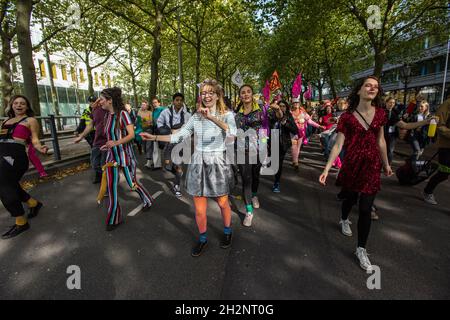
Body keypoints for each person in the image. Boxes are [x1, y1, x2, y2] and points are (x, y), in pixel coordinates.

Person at [140, 79, 237, 257]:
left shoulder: (227, 114)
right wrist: (153, 138)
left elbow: (232, 132)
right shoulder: (195, 117)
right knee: (199, 209)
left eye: (210, 92)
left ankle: (227, 231)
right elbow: (178, 137)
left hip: (217, 161)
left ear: (217, 95)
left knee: (223, 202)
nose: (207, 96)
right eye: (204, 93)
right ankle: (202, 239)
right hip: (198, 162)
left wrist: (211, 117)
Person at [319, 76, 393, 271]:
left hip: (372, 166)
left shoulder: (381, 114)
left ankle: (361, 249)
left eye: (376, 86)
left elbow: (381, 141)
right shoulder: (347, 117)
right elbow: (338, 144)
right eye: (368, 85)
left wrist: (386, 164)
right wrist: (326, 168)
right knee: (350, 199)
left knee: (366, 208)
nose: (372, 88)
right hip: (352, 164)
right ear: (359, 90)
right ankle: (344, 219)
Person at [97, 87, 154, 231]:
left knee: (132, 183)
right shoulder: (106, 116)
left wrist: (115, 143)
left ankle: (147, 200)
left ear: (110, 101)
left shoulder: (123, 114)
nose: (100, 102)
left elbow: (131, 135)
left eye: (102, 99)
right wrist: (108, 145)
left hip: (124, 156)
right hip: (112, 157)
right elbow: (110, 136)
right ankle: (113, 219)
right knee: (111, 188)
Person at [0, 95, 48, 239]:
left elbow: (34, 139)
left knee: (4, 186)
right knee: (9, 184)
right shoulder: (5, 120)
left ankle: (21, 222)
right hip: (1, 155)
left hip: (15, 157)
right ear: (11, 105)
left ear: (27, 107)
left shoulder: (30, 120)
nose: (19, 105)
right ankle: (33, 203)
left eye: (22, 103)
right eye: (16, 103)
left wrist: (40, 148)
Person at [235, 84, 282, 226]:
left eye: (248, 91)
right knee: (246, 180)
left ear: (252, 94)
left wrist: (278, 108)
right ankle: (249, 211)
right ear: (240, 96)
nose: (246, 94)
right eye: (243, 92)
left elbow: (279, 117)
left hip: (259, 149)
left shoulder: (263, 110)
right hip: (243, 151)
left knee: (255, 176)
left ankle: (254, 195)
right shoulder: (237, 114)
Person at [156, 93, 191, 197]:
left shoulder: (187, 115)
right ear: (173, 101)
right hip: (168, 141)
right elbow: (159, 124)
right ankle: (177, 173)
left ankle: (177, 185)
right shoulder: (165, 112)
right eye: (177, 100)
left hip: (181, 143)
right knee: (167, 165)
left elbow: (190, 129)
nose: (179, 102)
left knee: (178, 165)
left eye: (181, 100)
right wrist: (170, 131)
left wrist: (181, 132)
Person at [74, 95, 108, 184]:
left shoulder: (109, 109)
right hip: (95, 138)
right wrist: (80, 135)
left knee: (104, 164)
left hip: (107, 141)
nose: (94, 102)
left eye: (100, 99)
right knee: (95, 164)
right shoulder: (92, 111)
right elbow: (88, 124)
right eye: (91, 101)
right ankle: (107, 175)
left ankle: (108, 182)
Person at [423, 98, 450, 205]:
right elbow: (439, 126)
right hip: (446, 147)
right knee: (444, 173)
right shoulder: (447, 104)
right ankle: (427, 191)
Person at [269, 100, 298, 192]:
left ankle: (276, 182)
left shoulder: (288, 117)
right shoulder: (272, 116)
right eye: (279, 106)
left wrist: (285, 123)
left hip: (283, 143)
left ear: (286, 108)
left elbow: (295, 130)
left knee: (278, 163)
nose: (281, 108)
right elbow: (265, 127)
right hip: (271, 142)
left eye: (283, 106)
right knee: (273, 163)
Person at [290, 98, 324, 170]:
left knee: (298, 148)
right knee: (293, 147)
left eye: (297, 103)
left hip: (301, 133)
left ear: (299, 104)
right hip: (293, 133)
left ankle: (295, 161)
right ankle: (295, 161)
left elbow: (310, 121)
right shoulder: (290, 112)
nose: (296, 104)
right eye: (294, 103)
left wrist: (319, 126)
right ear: (292, 104)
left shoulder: (303, 113)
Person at [137, 100, 154, 168]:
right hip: (141, 130)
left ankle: (149, 161)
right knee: (144, 146)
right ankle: (150, 160)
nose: (142, 106)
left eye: (144, 105)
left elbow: (151, 122)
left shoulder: (150, 112)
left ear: (147, 106)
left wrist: (146, 121)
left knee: (148, 145)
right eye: (142, 104)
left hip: (149, 130)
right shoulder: (139, 111)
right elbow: (138, 121)